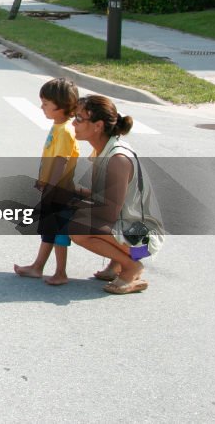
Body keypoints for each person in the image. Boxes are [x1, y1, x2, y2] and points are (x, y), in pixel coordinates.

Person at [69, 95, 154, 294]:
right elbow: (103, 196)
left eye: (79, 118)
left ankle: (131, 267)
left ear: (98, 126)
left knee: (77, 227)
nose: (73, 122)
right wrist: (72, 191)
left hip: (143, 241)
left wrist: (72, 204)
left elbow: (108, 212)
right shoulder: (103, 150)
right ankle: (117, 263)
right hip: (132, 228)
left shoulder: (117, 159)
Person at [14, 78, 80, 285]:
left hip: (60, 192)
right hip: (53, 189)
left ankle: (61, 272)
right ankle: (37, 267)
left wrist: (50, 188)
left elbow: (61, 162)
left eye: (45, 104)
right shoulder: (58, 126)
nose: (41, 107)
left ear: (61, 106)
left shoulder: (65, 131)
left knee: (60, 234)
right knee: (49, 230)